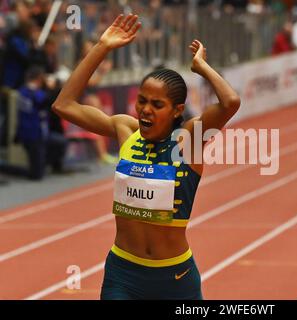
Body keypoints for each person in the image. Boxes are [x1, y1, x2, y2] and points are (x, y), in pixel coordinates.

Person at [52, 14, 240, 300]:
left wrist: (202, 67)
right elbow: (64, 105)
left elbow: (230, 103)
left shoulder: (188, 140)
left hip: (174, 278)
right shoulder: (124, 129)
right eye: (142, 101)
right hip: (123, 274)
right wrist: (101, 47)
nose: (145, 110)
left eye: (157, 104)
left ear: (177, 110)